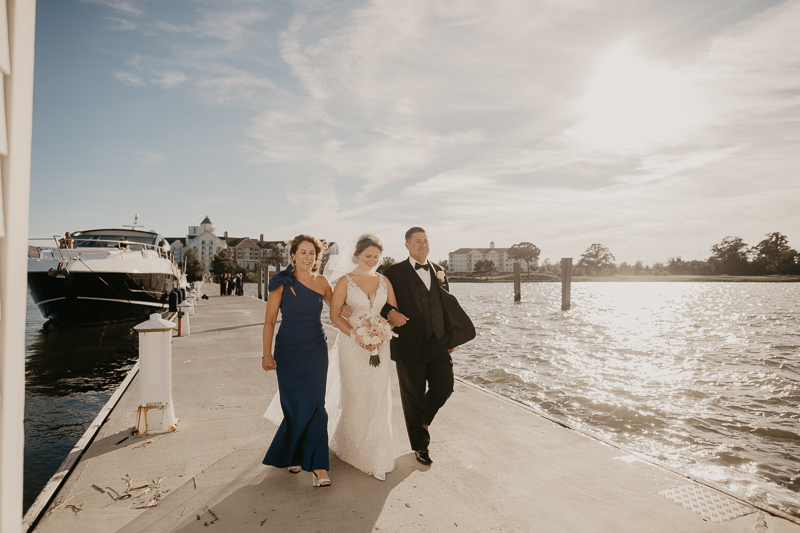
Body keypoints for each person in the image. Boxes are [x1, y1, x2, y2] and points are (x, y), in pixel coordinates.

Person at [381, 227, 475, 465]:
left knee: (444, 388)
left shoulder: (440, 271)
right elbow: (378, 303)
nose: (423, 245)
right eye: (417, 241)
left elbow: (446, 307)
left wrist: (451, 338)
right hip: (409, 345)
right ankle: (420, 445)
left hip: (440, 343)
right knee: (412, 394)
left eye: (426, 241)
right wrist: (390, 312)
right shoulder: (393, 272)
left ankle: (417, 423)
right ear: (407, 245)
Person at [261, 234, 335, 487]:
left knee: (317, 406)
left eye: (312, 253)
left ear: (317, 257)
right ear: (293, 255)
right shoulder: (281, 282)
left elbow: (338, 308)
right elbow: (269, 320)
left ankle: (319, 466)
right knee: (293, 407)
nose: (307, 257)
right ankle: (293, 455)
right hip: (288, 351)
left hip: (316, 349)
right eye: (302, 252)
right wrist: (267, 354)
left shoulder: (323, 282)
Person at [327, 233, 399, 480]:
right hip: (352, 344)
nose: (371, 260)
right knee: (355, 394)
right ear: (358, 253)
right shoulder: (345, 281)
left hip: (380, 344)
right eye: (368, 255)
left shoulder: (384, 280)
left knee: (377, 396)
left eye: (376, 257)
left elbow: (392, 311)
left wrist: (384, 329)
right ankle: (351, 447)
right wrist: (355, 335)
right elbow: (335, 315)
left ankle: (377, 452)